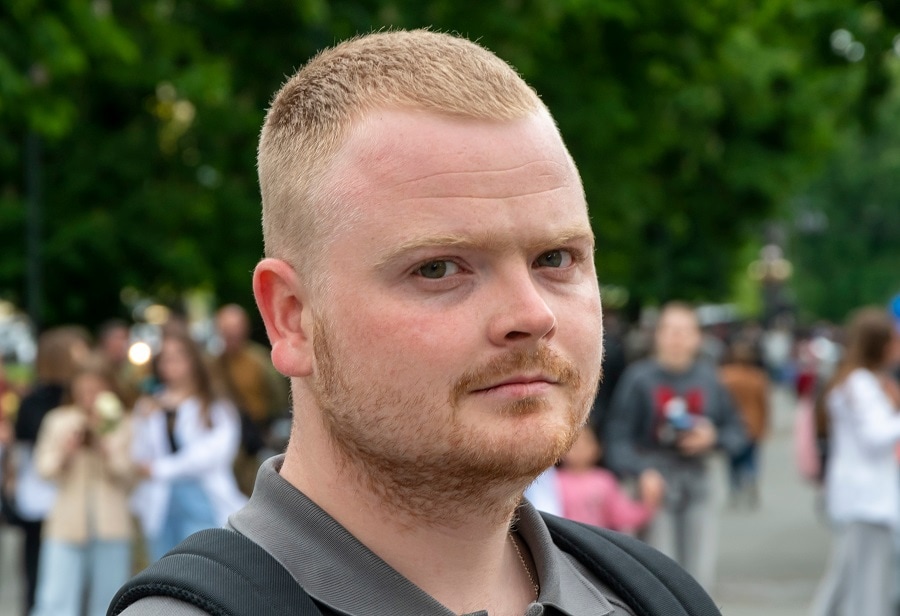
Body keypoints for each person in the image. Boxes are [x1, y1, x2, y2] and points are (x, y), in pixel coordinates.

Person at [113, 30, 721, 616]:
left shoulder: (657, 596)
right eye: (438, 268)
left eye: (555, 259)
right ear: (291, 319)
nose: (531, 315)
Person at [604, 301, 748, 589]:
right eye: (669, 330)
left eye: (684, 331)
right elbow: (616, 439)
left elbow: (738, 432)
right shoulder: (638, 379)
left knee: (697, 575)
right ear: (657, 336)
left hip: (699, 481)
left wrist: (712, 437)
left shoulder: (710, 378)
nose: (676, 338)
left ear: (697, 337)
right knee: (659, 573)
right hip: (655, 484)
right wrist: (641, 470)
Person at [809, 307, 900, 616]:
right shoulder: (860, 384)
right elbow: (876, 436)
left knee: (849, 580)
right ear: (881, 345)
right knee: (867, 586)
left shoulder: (855, 382)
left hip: (863, 497)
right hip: (867, 499)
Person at [129, 331, 247, 563]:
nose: (170, 364)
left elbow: (212, 454)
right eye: (165, 358)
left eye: (178, 356)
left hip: (204, 500)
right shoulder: (148, 405)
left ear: (194, 360)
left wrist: (161, 469)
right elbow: (139, 455)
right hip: (161, 506)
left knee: (203, 569)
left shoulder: (213, 404)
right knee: (164, 573)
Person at [30, 360, 135, 616]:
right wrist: (65, 453)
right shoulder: (59, 419)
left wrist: (107, 447)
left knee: (110, 600)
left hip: (111, 524)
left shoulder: (124, 422)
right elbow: (43, 469)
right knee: (55, 600)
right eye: (84, 388)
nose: (89, 395)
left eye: (95, 389)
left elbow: (131, 477)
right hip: (65, 524)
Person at [9, 326, 91, 616]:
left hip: (66, 496)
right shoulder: (41, 403)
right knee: (40, 570)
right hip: (47, 494)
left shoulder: (73, 398)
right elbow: (28, 447)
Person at [213, 303, 288, 495]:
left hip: (256, 434)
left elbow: (278, 397)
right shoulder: (213, 364)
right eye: (226, 330)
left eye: (234, 329)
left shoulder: (259, 360)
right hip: (224, 437)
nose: (231, 335)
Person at [556, 426, 663, 533]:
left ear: (597, 447)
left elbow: (620, 514)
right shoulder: (553, 481)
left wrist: (648, 505)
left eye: (585, 441)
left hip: (596, 543)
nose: (579, 448)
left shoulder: (604, 480)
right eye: (573, 443)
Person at [718, 338, 770, 508]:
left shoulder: (724, 376)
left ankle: (735, 489)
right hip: (753, 423)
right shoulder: (757, 377)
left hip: (733, 424)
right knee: (751, 459)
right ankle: (751, 481)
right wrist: (765, 425)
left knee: (733, 461)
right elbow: (764, 404)